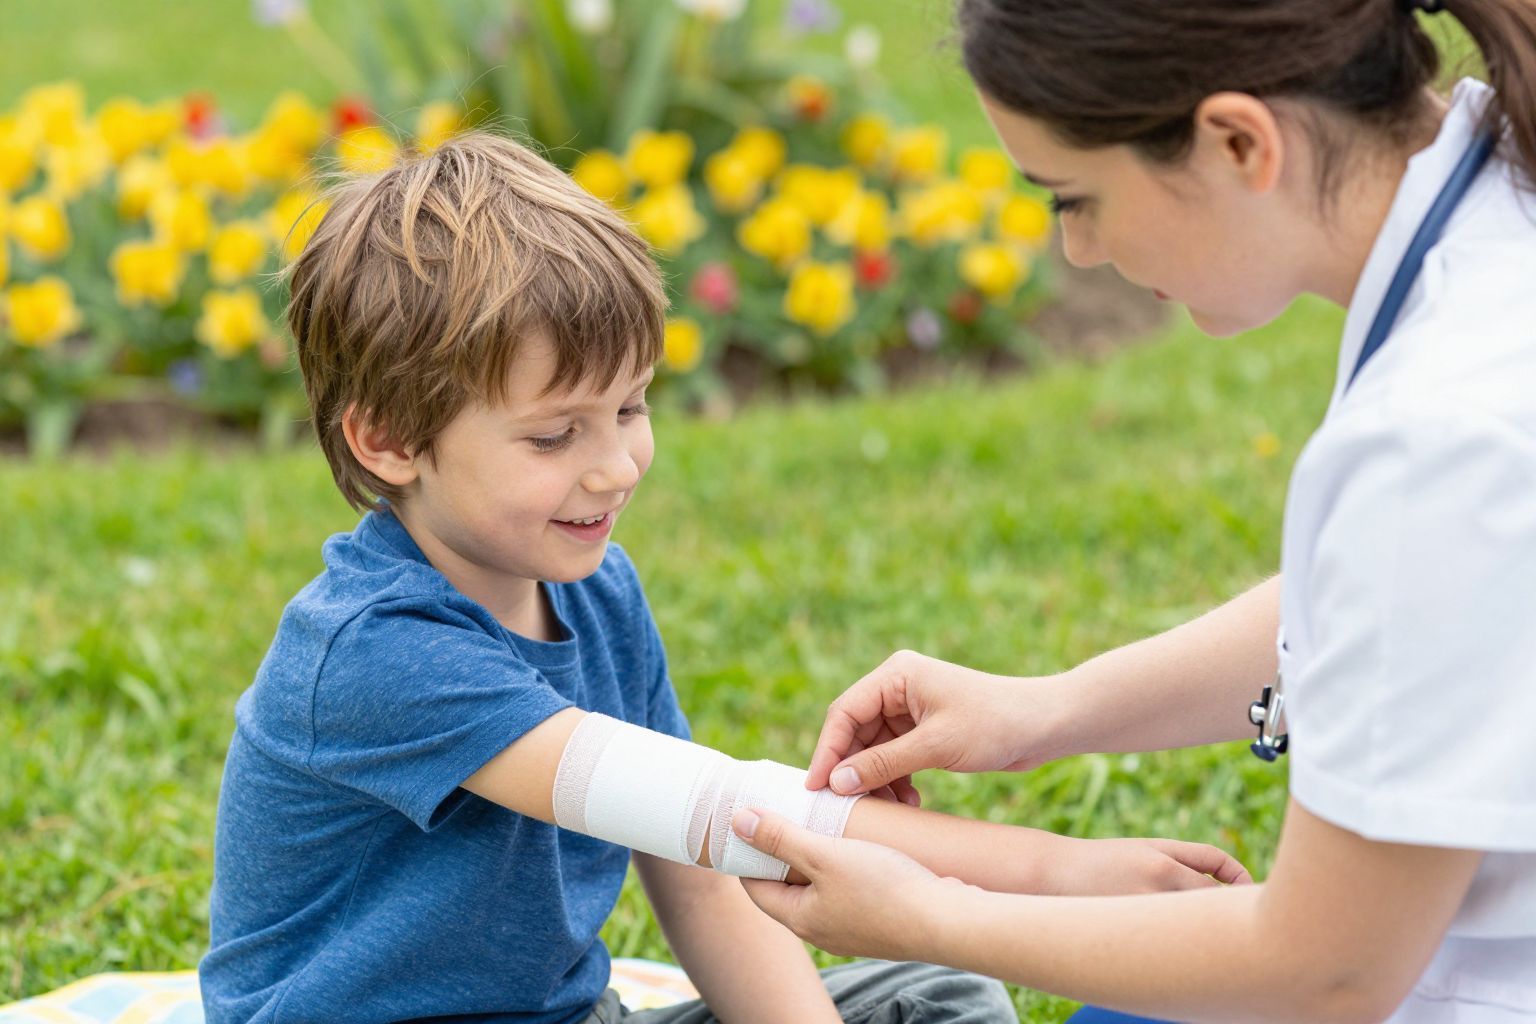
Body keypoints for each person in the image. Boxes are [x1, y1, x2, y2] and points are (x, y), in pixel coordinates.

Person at [197, 131, 1250, 1024]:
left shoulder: (599, 593)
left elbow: (701, 875)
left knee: (935, 995)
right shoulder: (376, 648)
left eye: (631, 408)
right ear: (387, 438)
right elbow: (710, 806)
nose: (614, 465)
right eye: (554, 434)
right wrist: (1059, 874)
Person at [725, 1, 1536, 1022]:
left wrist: (935, 916)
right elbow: (1409, 599)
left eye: (1077, 197)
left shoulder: (1432, 437)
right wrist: (1049, 711)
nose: (1078, 251)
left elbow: (1324, 970)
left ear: (1240, 142)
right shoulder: (1503, 203)